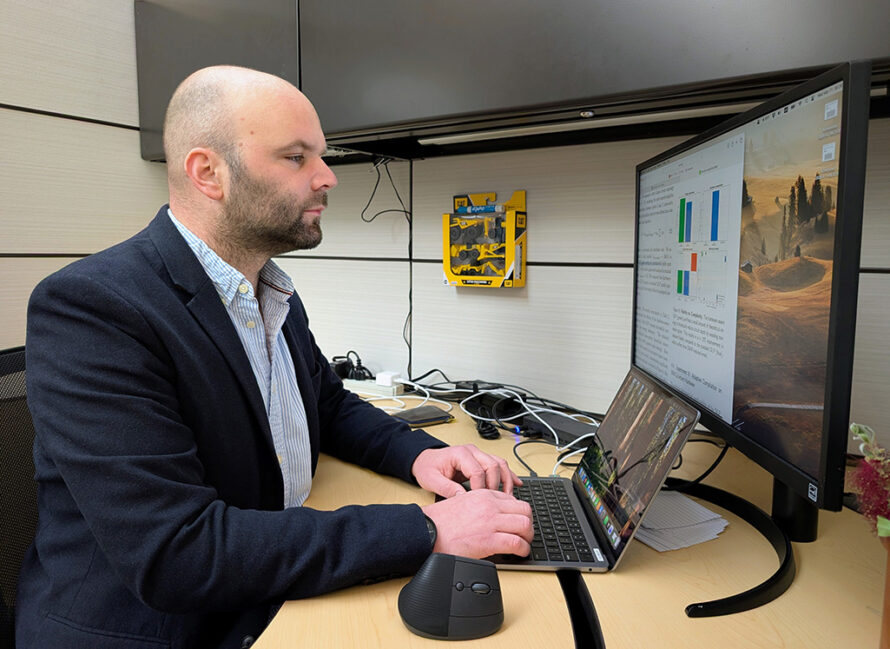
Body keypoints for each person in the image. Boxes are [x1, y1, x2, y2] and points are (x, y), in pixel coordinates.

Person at [16, 66, 533, 649]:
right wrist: (425, 528)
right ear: (208, 172)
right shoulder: (94, 308)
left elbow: (329, 405)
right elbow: (176, 554)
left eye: (322, 155)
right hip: (162, 628)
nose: (328, 178)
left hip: (264, 582)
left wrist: (419, 456)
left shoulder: (265, 286)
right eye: (296, 158)